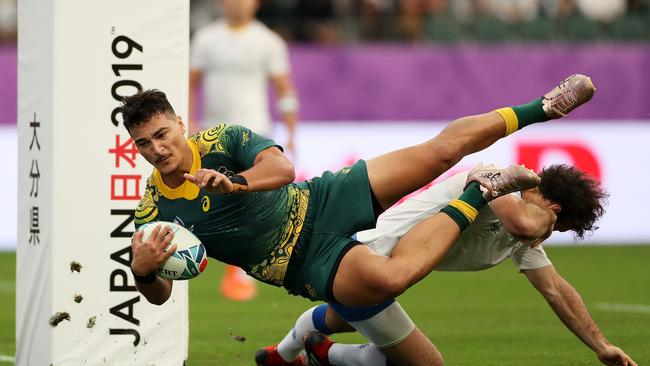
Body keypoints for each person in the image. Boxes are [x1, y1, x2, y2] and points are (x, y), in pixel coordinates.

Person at [123, 75, 593, 325]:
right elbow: (159, 294)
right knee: (390, 279)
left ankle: (542, 108)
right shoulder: (152, 211)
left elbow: (283, 170)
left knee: (439, 152)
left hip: (321, 199)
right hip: (301, 263)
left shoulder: (223, 139)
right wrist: (143, 269)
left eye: (162, 134)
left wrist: (236, 183)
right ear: (135, 146)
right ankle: (480, 192)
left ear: (181, 124)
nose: (157, 149)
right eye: (144, 143)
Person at [254, 165, 638, 366]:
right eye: (559, 225)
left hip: (363, 272)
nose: (551, 233)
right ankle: (320, 357)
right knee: (426, 363)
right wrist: (543, 223)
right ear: (552, 210)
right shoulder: (497, 182)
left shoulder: (522, 235)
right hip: (364, 263)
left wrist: (601, 346)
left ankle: (284, 354)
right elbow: (525, 223)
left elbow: (555, 289)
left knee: (342, 318)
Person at [190, 0, 300, 300]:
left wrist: (291, 131)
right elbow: (191, 83)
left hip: (254, 132)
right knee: (208, 199)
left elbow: (284, 89)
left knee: (245, 197)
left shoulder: (268, 41)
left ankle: (240, 270)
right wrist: (189, 119)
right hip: (214, 134)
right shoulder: (205, 38)